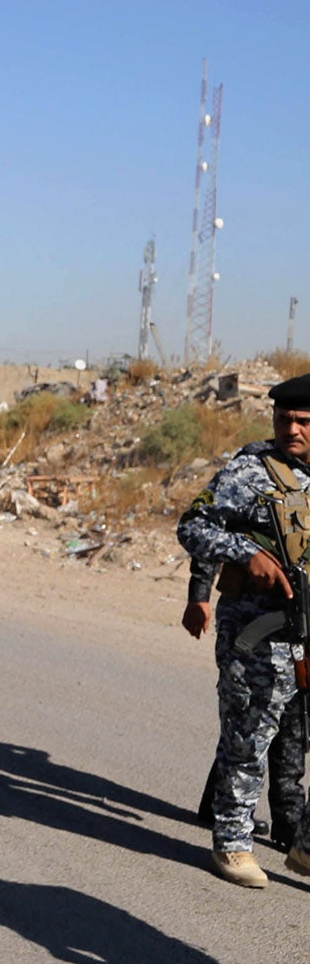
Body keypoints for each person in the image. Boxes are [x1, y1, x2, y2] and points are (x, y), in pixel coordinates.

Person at [177, 375, 310, 886]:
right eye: (285, 419)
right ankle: (232, 842)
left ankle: (303, 842)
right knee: (248, 736)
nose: (291, 429)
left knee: (294, 742)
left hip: (304, 630)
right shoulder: (251, 471)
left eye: (303, 421)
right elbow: (194, 526)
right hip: (256, 630)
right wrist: (245, 554)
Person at [187, 558, 299, 847]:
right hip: (251, 617)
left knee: (285, 718)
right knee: (252, 718)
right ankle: (281, 816)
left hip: (297, 619)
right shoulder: (259, 512)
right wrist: (198, 596)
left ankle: (281, 815)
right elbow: (211, 536)